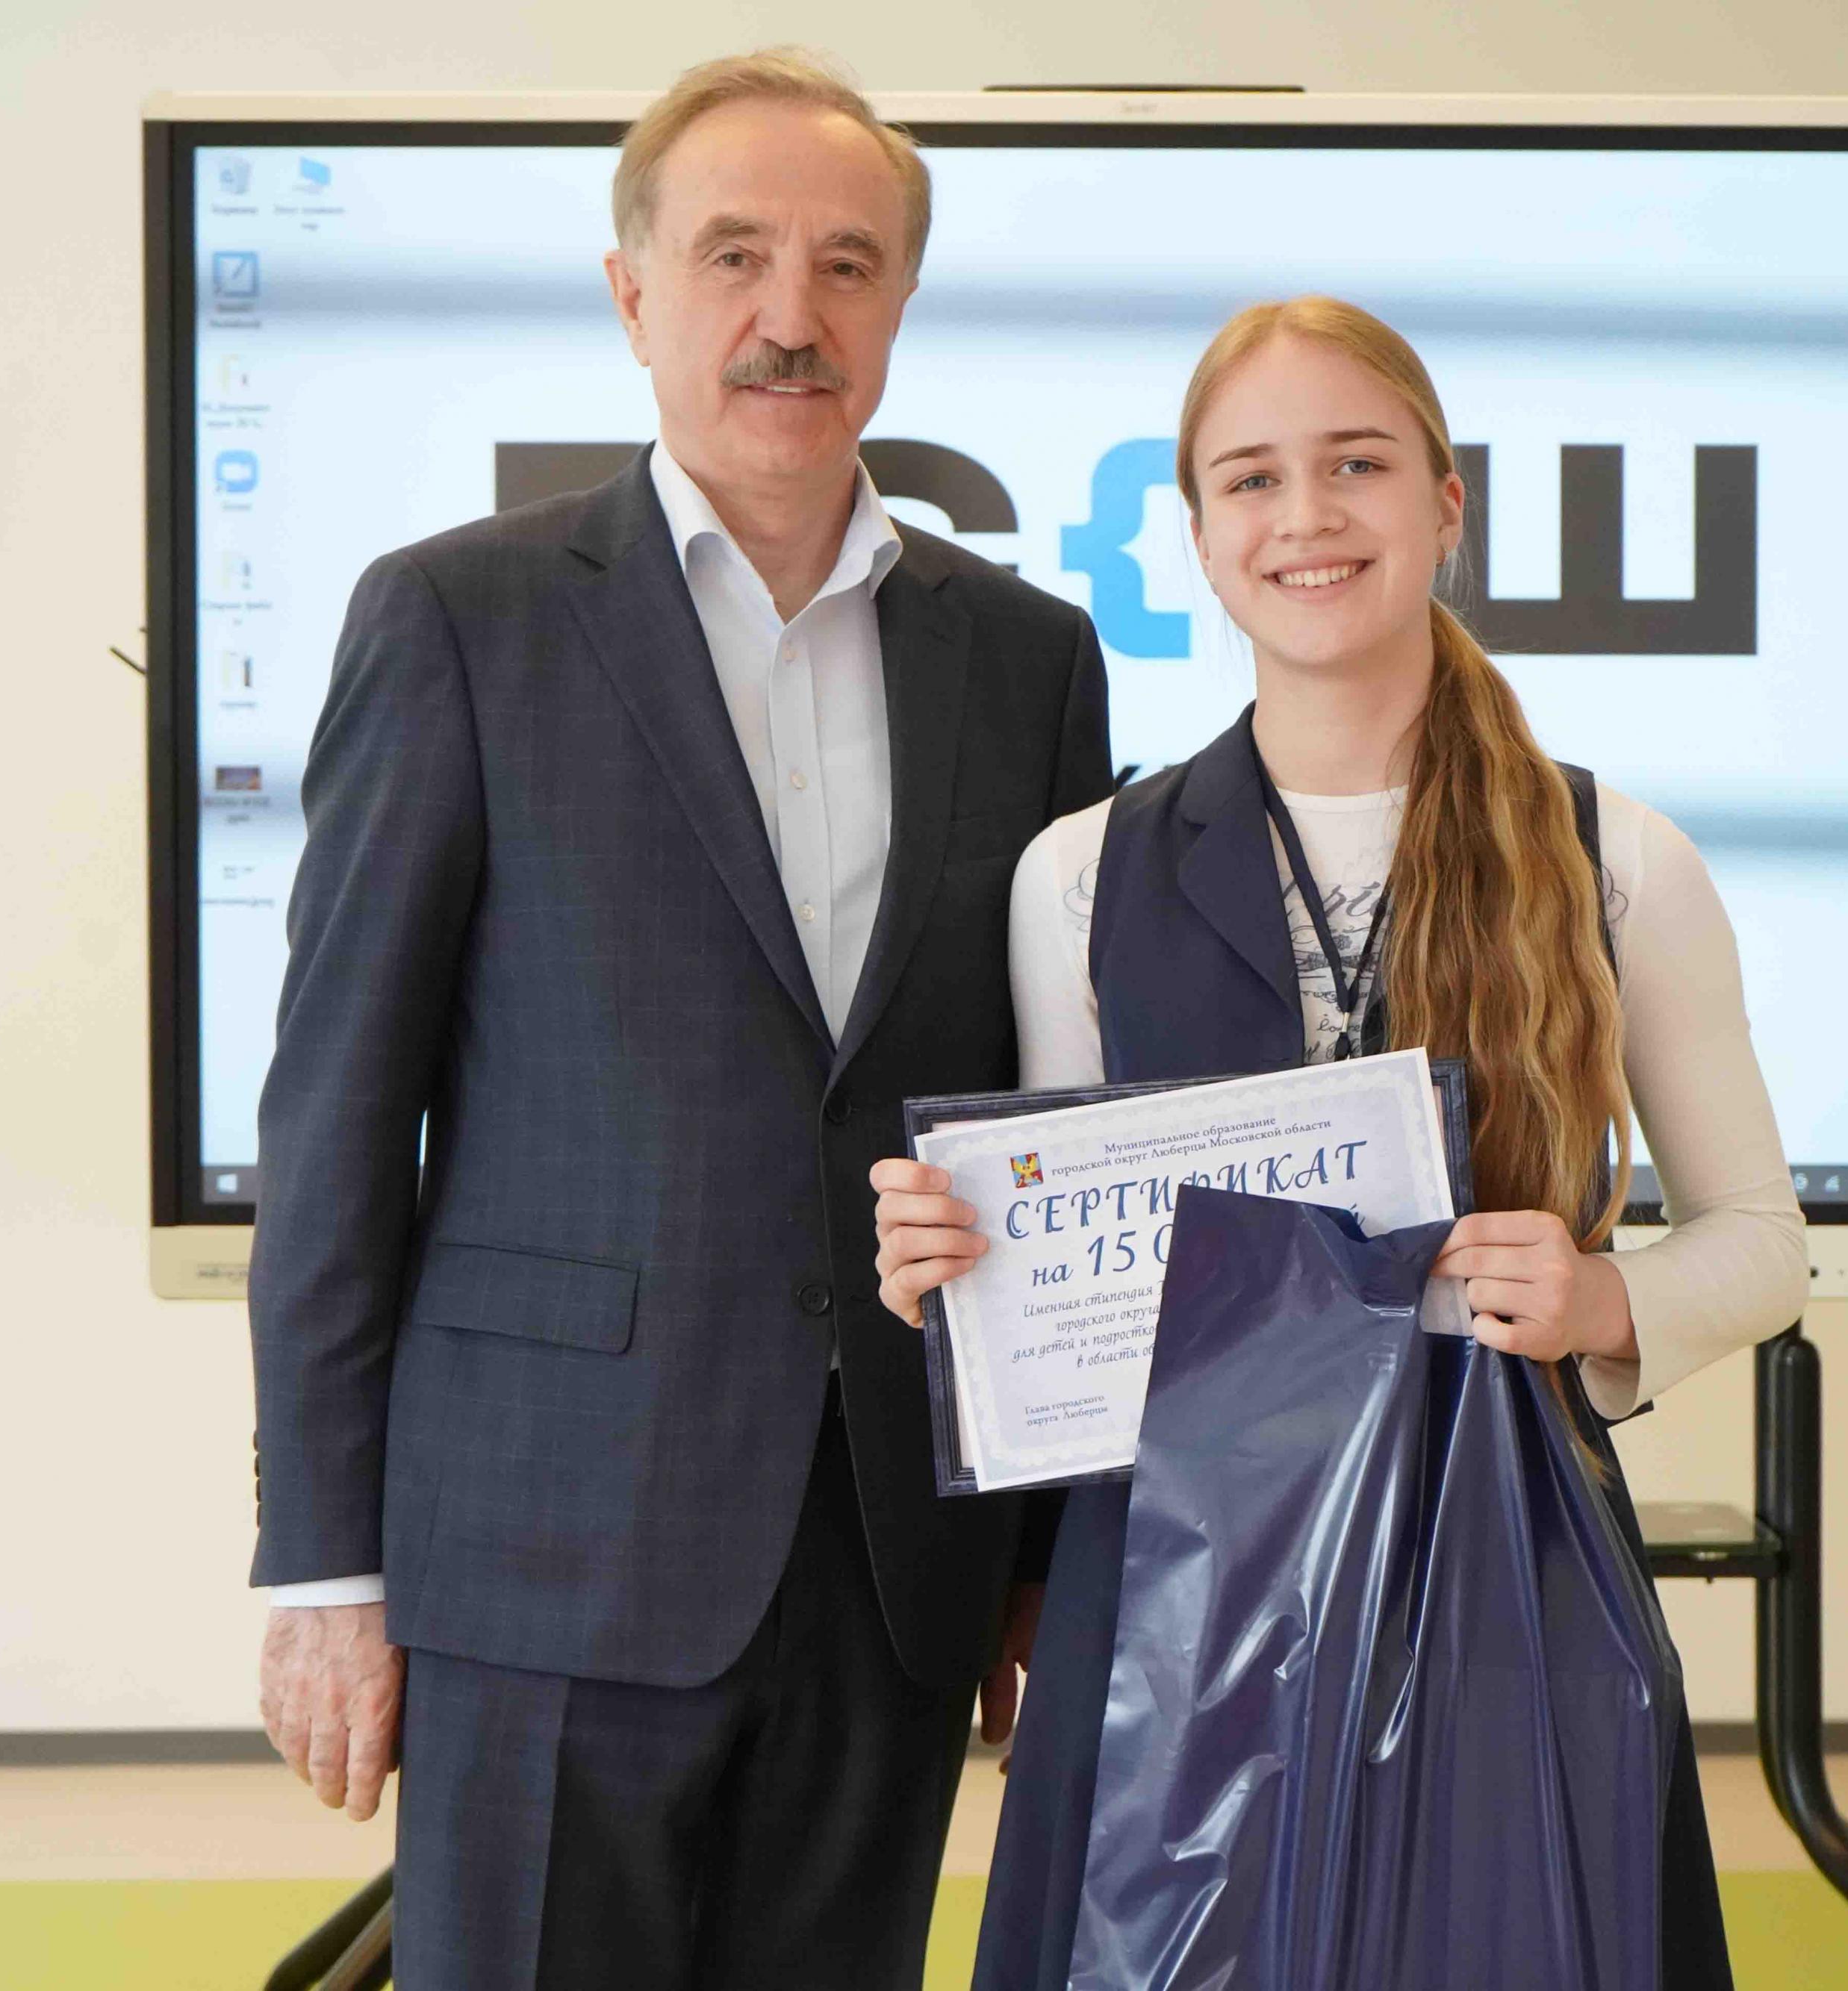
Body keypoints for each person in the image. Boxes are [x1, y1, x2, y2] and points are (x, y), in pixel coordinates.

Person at [246, 50, 1111, 1991]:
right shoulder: (457, 621)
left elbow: (1041, 1128)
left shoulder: (1031, 659)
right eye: (733, 256)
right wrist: (323, 1561)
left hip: (893, 1564)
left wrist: (1038, 1547)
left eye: (845, 264)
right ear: (632, 293)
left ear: (899, 302)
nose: (790, 314)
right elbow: (337, 1119)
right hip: (542, 1550)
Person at [871, 296, 1811, 1989]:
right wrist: (958, 1273)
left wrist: (1603, 1300)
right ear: (1199, 537)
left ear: (1445, 505)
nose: (1304, 515)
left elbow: (1763, 1243)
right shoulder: (1077, 872)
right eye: (1251, 478)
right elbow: (1066, 1270)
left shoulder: (1615, 855)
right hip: (1168, 1586)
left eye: (1356, 464)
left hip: (1496, 1554)